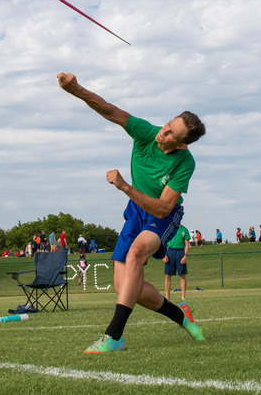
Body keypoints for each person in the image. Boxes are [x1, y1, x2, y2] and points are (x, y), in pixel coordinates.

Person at [57, 72, 206, 353]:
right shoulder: (146, 132)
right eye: (168, 125)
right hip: (136, 211)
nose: (165, 132)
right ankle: (180, 316)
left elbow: (163, 206)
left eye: (173, 133)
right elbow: (109, 109)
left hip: (163, 215)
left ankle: (114, 337)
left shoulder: (185, 163)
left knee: (136, 253)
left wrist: (125, 186)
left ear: (182, 144)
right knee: (125, 286)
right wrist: (74, 89)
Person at [163, 224, 191, 302]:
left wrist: (185, 256)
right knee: (168, 275)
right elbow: (163, 242)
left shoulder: (184, 230)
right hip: (170, 252)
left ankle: (183, 296)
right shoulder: (169, 228)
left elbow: (186, 244)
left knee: (182, 275)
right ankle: (167, 296)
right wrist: (164, 255)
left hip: (180, 252)